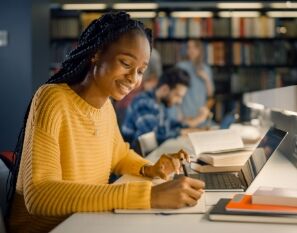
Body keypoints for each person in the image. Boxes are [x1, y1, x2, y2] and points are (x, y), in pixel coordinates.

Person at [6, 12, 204, 233]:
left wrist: (150, 168)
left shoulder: (106, 107)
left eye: (140, 71)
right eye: (126, 63)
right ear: (96, 54)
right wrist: (149, 196)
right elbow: (39, 195)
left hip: (86, 222)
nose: (133, 78)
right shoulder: (52, 99)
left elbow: (119, 155)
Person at [121, 67, 207, 148]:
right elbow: (153, 137)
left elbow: (167, 125)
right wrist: (182, 132)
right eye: (177, 95)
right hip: (136, 159)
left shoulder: (160, 104)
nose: (179, 101)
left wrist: (189, 127)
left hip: (150, 155)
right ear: (165, 89)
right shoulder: (143, 102)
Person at [114, 48, 162, 124]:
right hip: (124, 103)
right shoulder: (124, 48)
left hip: (132, 103)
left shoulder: (152, 55)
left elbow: (154, 80)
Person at [175, 39, 215, 127]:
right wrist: (179, 113)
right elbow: (175, 92)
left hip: (201, 116)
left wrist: (206, 79)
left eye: (194, 47)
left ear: (200, 50)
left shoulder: (206, 69)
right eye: (189, 48)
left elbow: (210, 94)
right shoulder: (181, 67)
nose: (191, 50)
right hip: (186, 115)